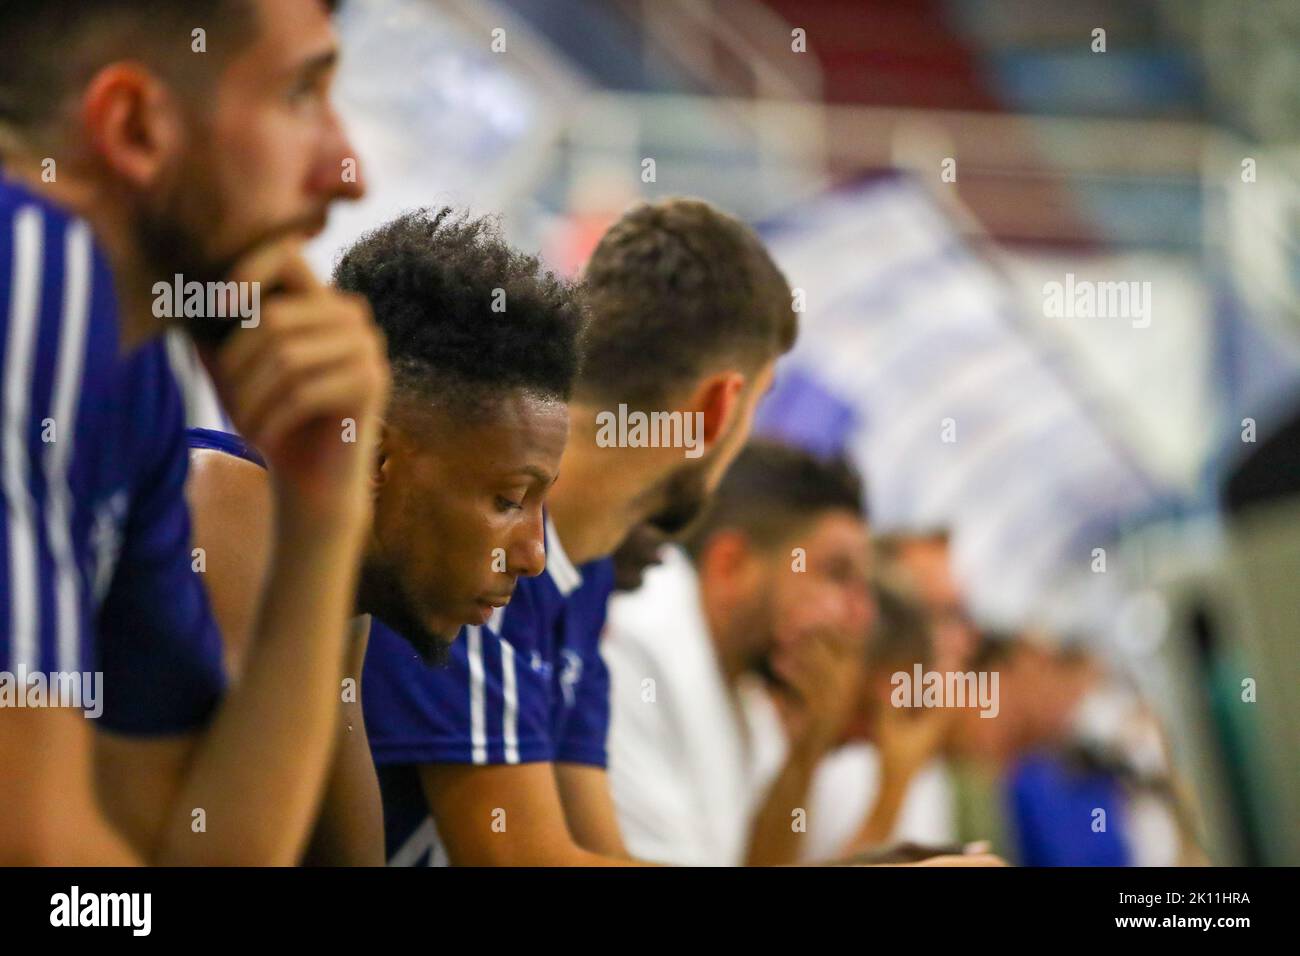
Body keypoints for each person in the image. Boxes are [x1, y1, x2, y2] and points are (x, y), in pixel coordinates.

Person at [0, 0, 389, 864]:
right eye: (301, 95)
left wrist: (322, 519)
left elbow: (194, 846)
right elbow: (41, 858)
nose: (348, 168)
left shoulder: (133, 372)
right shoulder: (30, 268)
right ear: (134, 125)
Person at [363, 197, 799, 866]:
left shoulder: (584, 566)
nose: (531, 552)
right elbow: (521, 862)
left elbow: (594, 853)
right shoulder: (470, 551)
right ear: (720, 406)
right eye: (759, 407)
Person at [186, 207, 585, 864]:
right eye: (510, 499)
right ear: (375, 460)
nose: (534, 555)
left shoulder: (342, 588)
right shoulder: (229, 514)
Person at [604, 442, 874, 865]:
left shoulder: (749, 697)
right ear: (730, 564)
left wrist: (808, 747)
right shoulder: (640, 638)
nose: (860, 615)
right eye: (836, 574)